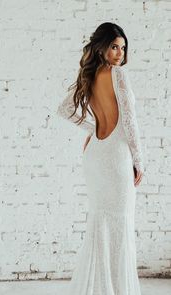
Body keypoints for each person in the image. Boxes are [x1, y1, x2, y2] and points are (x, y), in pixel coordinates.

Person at [57, 22, 144, 295]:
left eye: (123, 48)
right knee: (119, 223)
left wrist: (93, 129)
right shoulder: (118, 76)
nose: (119, 53)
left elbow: (66, 109)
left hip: (96, 154)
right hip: (117, 156)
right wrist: (139, 160)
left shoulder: (89, 75)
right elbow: (129, 121)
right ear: (102, 46)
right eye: (114, 47)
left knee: (101, 223)